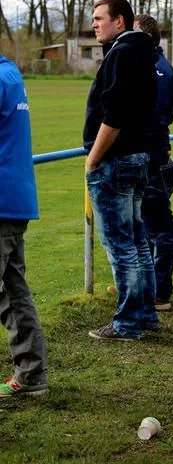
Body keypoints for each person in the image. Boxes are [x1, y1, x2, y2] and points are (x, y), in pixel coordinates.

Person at [84, 0, 159, 340]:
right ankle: (145, 315)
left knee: (121, 244)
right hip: (137, 157)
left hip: (115, 161)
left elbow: (114, 114)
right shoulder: (143, 52)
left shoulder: (123, 53)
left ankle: (127, 322)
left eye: (99, 18)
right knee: (137, 240)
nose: (94, 24)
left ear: (120, 21)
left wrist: (93, 158)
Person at [0, 55, 48, 397]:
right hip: (14, 199)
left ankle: (32, 373)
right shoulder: (10, 74)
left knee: (12, 290)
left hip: (3, 201)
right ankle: (31, 374)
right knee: (13, 290)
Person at [134, 13, 173, 312]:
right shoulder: (146, 66)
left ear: (146, 37)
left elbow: (160, 116)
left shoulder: (159, 70)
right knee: (142, 225)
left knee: (159, 227)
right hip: (146, 156)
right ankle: (140, 282)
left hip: (153, 158)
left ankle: (159, 291)